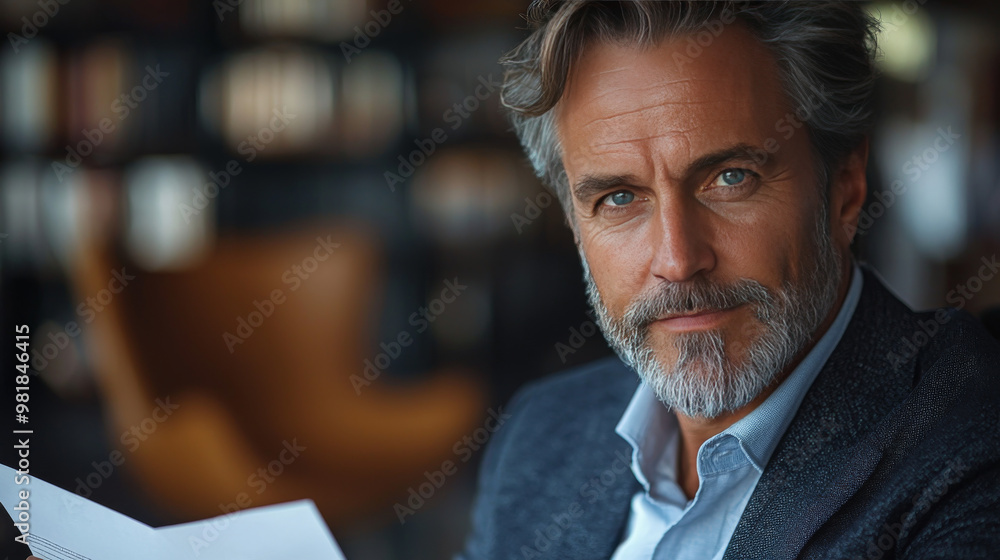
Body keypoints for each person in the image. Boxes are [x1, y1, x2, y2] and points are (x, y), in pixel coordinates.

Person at [458, 1, 1000, 559]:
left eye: (730, 178)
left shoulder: (968, 447)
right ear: (574, 224)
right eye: (619, 198)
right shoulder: (540, 434)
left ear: (845, 188)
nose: (678, 258)